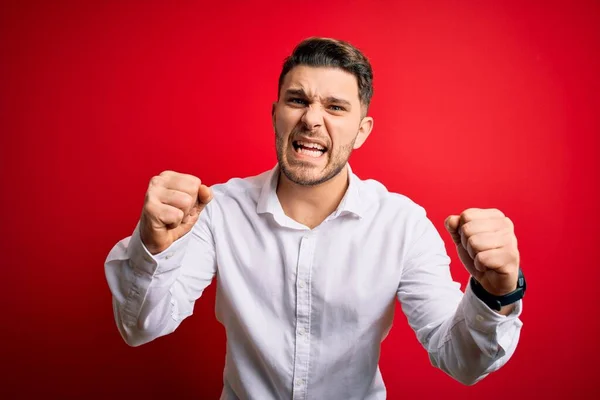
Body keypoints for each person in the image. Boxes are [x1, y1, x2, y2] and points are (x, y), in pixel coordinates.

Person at [104, 37, 525, 400]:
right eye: (297, 100)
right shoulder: (218, 208)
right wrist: (153, 245)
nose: (311, 119)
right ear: (275, 115)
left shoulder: (402, 224)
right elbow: (141, 327)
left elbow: (460, 360)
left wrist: (496, 296)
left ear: (362, 130)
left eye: (335, 107)